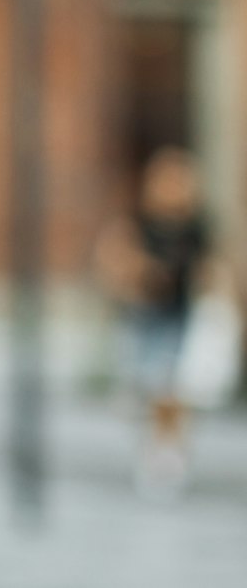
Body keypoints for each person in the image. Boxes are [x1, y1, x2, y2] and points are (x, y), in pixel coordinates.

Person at [94, 146, 225, 498]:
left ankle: (169, 455)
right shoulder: (140, 224)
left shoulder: (197, 227)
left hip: (181, 315)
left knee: (172, 388)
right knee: (151, 387)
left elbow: (212, 266)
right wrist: (136, 274)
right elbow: (115, 258)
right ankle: (158, 450)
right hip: (146, 315)